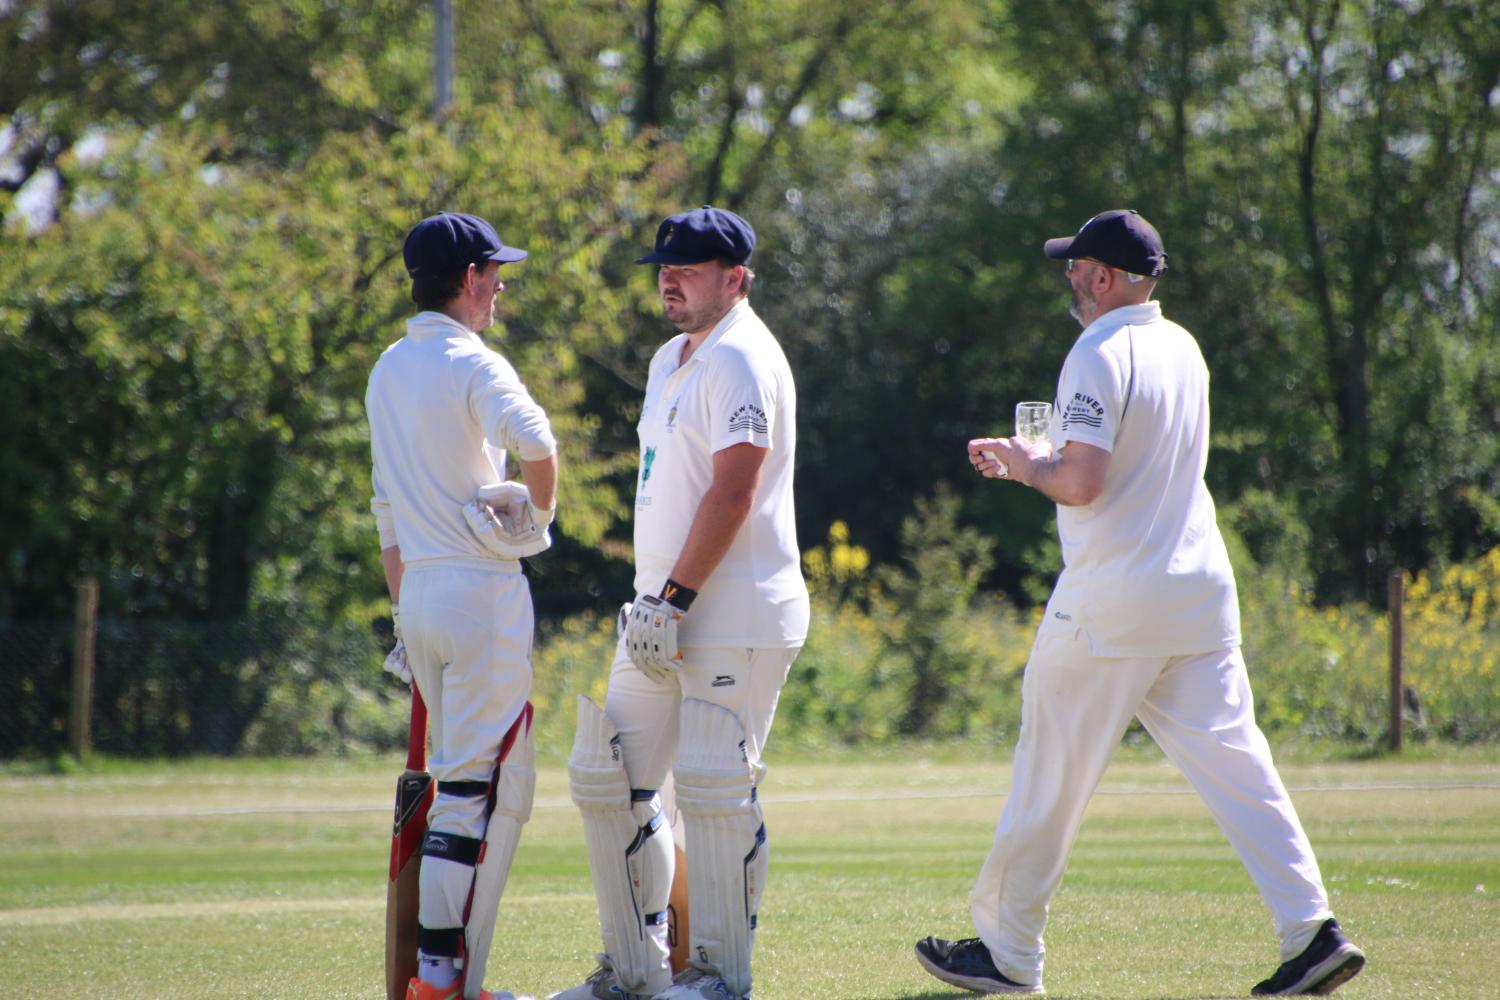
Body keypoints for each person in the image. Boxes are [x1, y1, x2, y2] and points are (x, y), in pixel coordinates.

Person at [917, 210, 1365, 996]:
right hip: (1198, 596)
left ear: (1102, 277)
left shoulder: (1097, 349)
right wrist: (1039, 459)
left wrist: (1026, 466)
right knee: (1241, 769)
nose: (1068, 281)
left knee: (1047, 776)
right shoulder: (1181, 345)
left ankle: (1008, 956)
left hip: (1114, 598)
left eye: (1075, 269)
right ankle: (1313, 930)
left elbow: (1083, 482)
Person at [551, 206, 808, 1000]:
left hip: (732, 614)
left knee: (713, 794)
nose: (670, 277)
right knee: (611, 780)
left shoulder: (742, 357)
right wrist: (656, 603)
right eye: (665, 265)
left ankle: (719, 977)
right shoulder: (673, 358)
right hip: (657, 613)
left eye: (690, 267)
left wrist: (675, 597)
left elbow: (736, 490)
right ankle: (634, 971)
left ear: (737, 279)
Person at [367, 212, 559, 1000]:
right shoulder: (471, 360)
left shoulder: (387, 366)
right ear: (470, 279)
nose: (502, 285)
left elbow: (386, 510)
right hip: (480, 592)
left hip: (417, 594)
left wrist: (404, 614)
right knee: (480, 788)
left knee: (458, 782)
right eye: (496, 273)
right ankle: (444, 979)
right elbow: (538, 440)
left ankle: (441, 975)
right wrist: (538, 522)